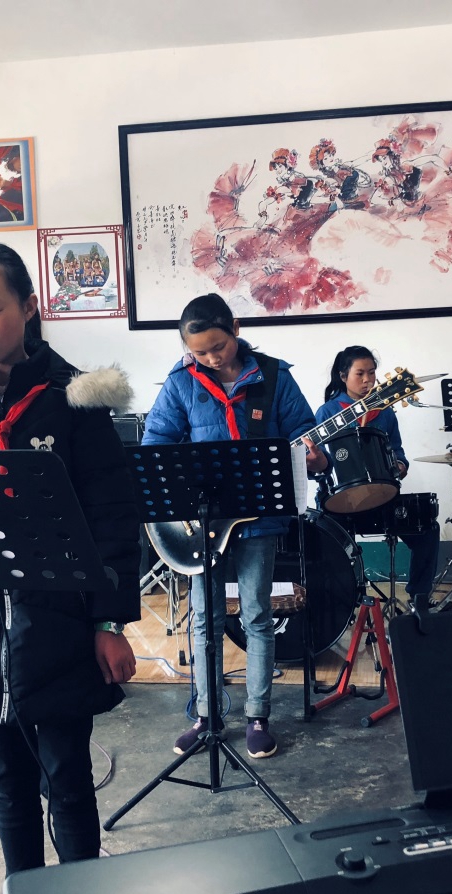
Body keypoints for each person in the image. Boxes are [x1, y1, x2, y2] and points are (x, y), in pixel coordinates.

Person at [0, 242, 140, 875]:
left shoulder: (76, 398)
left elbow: (112, 518)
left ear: (29, 307)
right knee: (7, 782)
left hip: (60, 620)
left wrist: (108, 622)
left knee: (68, 777)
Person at [142, 292, 328, 759]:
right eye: (199, 351)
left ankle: (258, 716)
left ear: (236, 329)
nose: (210, 358)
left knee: (257, 615)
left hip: (259, 517)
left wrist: (315, 457)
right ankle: (206, 715)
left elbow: (304, 433)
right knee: (203, 619)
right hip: (202, 519)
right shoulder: (181, 381)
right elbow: (156, 444)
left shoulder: (274, 376)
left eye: (218, 346)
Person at [316, 346, 440, 614]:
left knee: (427, 528)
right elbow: (317, 462)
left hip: (381, 498)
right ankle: (343, 603)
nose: (367, 380)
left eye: (371, 373)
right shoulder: (327, 413)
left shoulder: (384, 412)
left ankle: (419, 597)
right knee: (329, 544)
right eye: (360, 373)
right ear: (343, 376)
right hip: (342, 502)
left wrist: (400, 465)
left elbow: (398, 452)